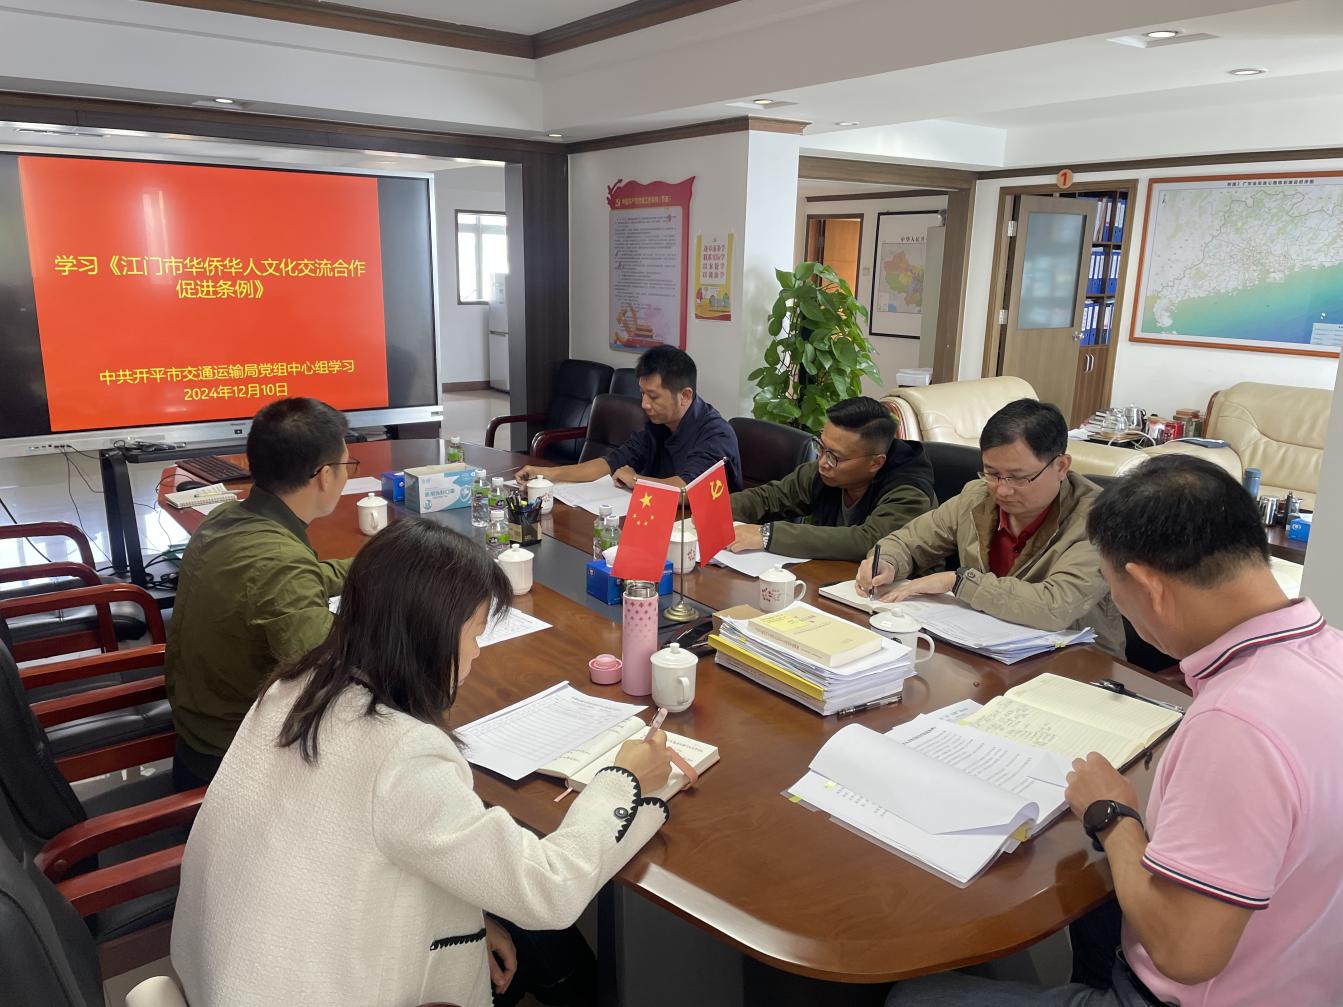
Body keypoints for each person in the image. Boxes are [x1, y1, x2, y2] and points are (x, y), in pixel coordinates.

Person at [885, 455, 1343, 1006]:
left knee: (910, 998)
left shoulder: (1236, 724)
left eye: (1113, 588)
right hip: (1307, 969)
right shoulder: (1328, 652)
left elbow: (1186, 954)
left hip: (1191, 993)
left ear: (1149, 586)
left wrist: (1112, 815)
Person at [171, 519, 673, 1007]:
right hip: (311, 982)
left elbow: (329, 851)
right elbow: (548, 890)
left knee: (524, 946)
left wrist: (468, 916)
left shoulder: (293, 687)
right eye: (475, 634)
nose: (477, 654)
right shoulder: (401, 754)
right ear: (432, 636)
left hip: (232, 974)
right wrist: (623, 781)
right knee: (552, 954)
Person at [164, 397, 355, 791]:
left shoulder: (228, 517)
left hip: (199, 726)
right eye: (346, 466)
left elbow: (291, 582)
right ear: (324, 476)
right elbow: (331, 676)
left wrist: (375, 564)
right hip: (236, 764)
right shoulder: (281, 562)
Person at [855, 399, 1123, 657]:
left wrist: (959, 581)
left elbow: (1056, 606)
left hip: (1075, 662)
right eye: (992, 473)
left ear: (1061, 466)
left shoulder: (1099, 519)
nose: (1002, 490)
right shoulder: (977, 497)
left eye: (1018, 477)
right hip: (986, 647)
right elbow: (908, 541)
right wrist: (887, 562)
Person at [729, 396, 935, 562]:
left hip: (903, 593)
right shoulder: (826, 469)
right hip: (833, 578)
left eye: (835, 456)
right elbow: (769, 498)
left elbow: (868, 541)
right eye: (821, 447)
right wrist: (715, 513)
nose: (822, 462)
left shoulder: (909, 493)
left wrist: (768, 535)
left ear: (875, 463)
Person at [516, 345, 742, 492]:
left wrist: (636, 480)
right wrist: (547, 474)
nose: (644, 404)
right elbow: (609, 463)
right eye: (642, 393)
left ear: (684, 396)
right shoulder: (658, 424)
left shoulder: (716, 434)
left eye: (653, 396)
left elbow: (685, 490)